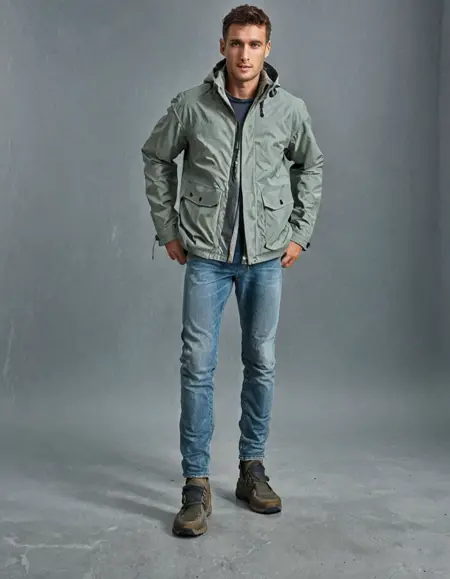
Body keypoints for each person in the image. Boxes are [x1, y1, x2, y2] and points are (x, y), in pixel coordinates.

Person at [141, 4, 323, 537]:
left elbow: (310, 165)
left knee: (260, 361)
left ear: (268, 49)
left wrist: (299, 232)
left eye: (254, 44)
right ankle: (195, 484)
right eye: (236, 43)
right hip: (207, 257)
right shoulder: (191, 106)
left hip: (265, 258)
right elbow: (156, 158)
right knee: (197, 366)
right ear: (222, 46)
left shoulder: (289, 109)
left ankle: (252, 469)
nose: (245, 54)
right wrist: (168, 229)